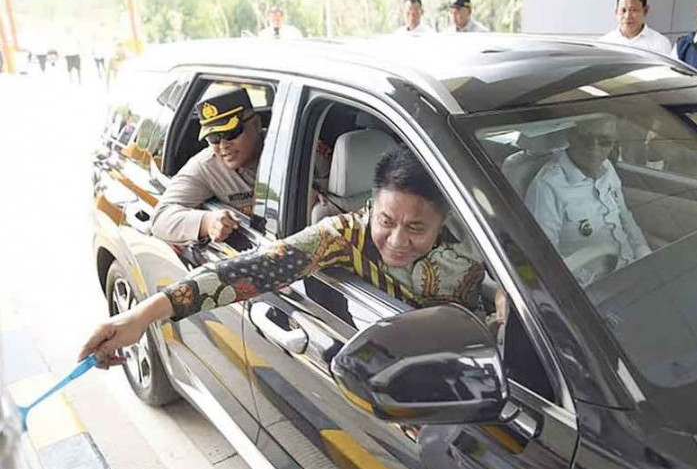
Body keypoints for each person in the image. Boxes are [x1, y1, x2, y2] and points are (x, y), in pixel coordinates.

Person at [79, 146, 507, 368]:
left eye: (416, 228)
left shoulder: (479, 233)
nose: (395, 240)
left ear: (444, 219)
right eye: (385, 219)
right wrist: (140, 317)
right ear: (371, 204)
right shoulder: (345, 235)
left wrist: (506, 299)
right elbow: (251, 269)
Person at [524, 119, 651, 286]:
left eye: (605, 141)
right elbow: (544, 256)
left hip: (630, 268)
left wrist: (643, 252)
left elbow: (625, 217)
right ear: (570, 136)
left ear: (613, 143)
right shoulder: (548, 186)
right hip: (591, 285)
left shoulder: (607, 168)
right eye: (586, 139)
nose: (595, 149)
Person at [151, 86, 263, 245]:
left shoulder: (289, 149)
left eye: (231, 133)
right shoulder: (206, 166)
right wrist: (207, 221)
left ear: (257, 124)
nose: (223, 145)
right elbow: (160, 219)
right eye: (213, 138)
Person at [599, 0, 671, 55]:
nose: (627, 16)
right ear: (616, 12)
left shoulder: (660, 43)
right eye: (623, 10)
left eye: (633, 10)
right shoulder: (604, 43)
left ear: (645, 11)